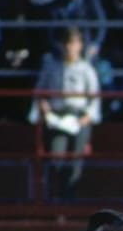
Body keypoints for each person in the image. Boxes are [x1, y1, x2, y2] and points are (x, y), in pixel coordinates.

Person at [30, 26, 101, 199]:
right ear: (62, 45)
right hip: (57, 117)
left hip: (79, 118)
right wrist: (43, 105)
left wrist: (88, 116)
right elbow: (40, 90)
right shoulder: (52, 67)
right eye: (68, 43)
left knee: (76, 161)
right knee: (56, 158)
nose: (71, 48)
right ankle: (55, 199)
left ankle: (70, 200)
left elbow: (95, 97)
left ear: (80, 46)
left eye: (75, 43)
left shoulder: (87, 70)